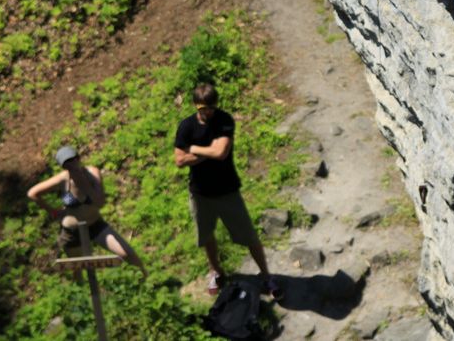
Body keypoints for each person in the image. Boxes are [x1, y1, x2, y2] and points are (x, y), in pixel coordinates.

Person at [174, 82, 283, 298]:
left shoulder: (224, 120)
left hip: (227, 191)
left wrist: (193, 149)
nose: (208, 112)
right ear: (195, 106)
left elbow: (221, 152)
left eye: (212, 107)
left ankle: (266, 276)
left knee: (249, 236)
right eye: (203, 108)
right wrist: (209, 151)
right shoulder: (186, 127)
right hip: (200, 193)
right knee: (206, 235)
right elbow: (179, 160)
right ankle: (215, 270)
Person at [27, 145, 148, 276]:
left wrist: (84, 184)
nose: (71, 166)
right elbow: (33, 193)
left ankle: (146, 274)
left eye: (73, 161)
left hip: (95, 225)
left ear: (78, 159)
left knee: (126, 253)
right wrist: (54, 212)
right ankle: (80, 288)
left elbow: (100, 203)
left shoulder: (92, 173)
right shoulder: (62, 179)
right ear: (63, 167)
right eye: (67, 164)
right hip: (72, 232)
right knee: (77, 267)